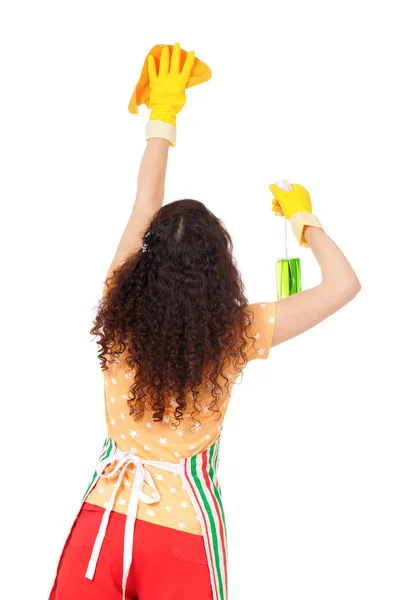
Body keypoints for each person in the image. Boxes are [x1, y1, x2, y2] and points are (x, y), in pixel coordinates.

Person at [49, 43, 361, 600]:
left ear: (147, 260)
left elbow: (147, 198)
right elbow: (343, 286)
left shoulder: (119, 305)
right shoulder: (234, 333)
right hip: (182, 532)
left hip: (105, 517)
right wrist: (304, 221)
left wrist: (163, 112)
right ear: (220, 271)